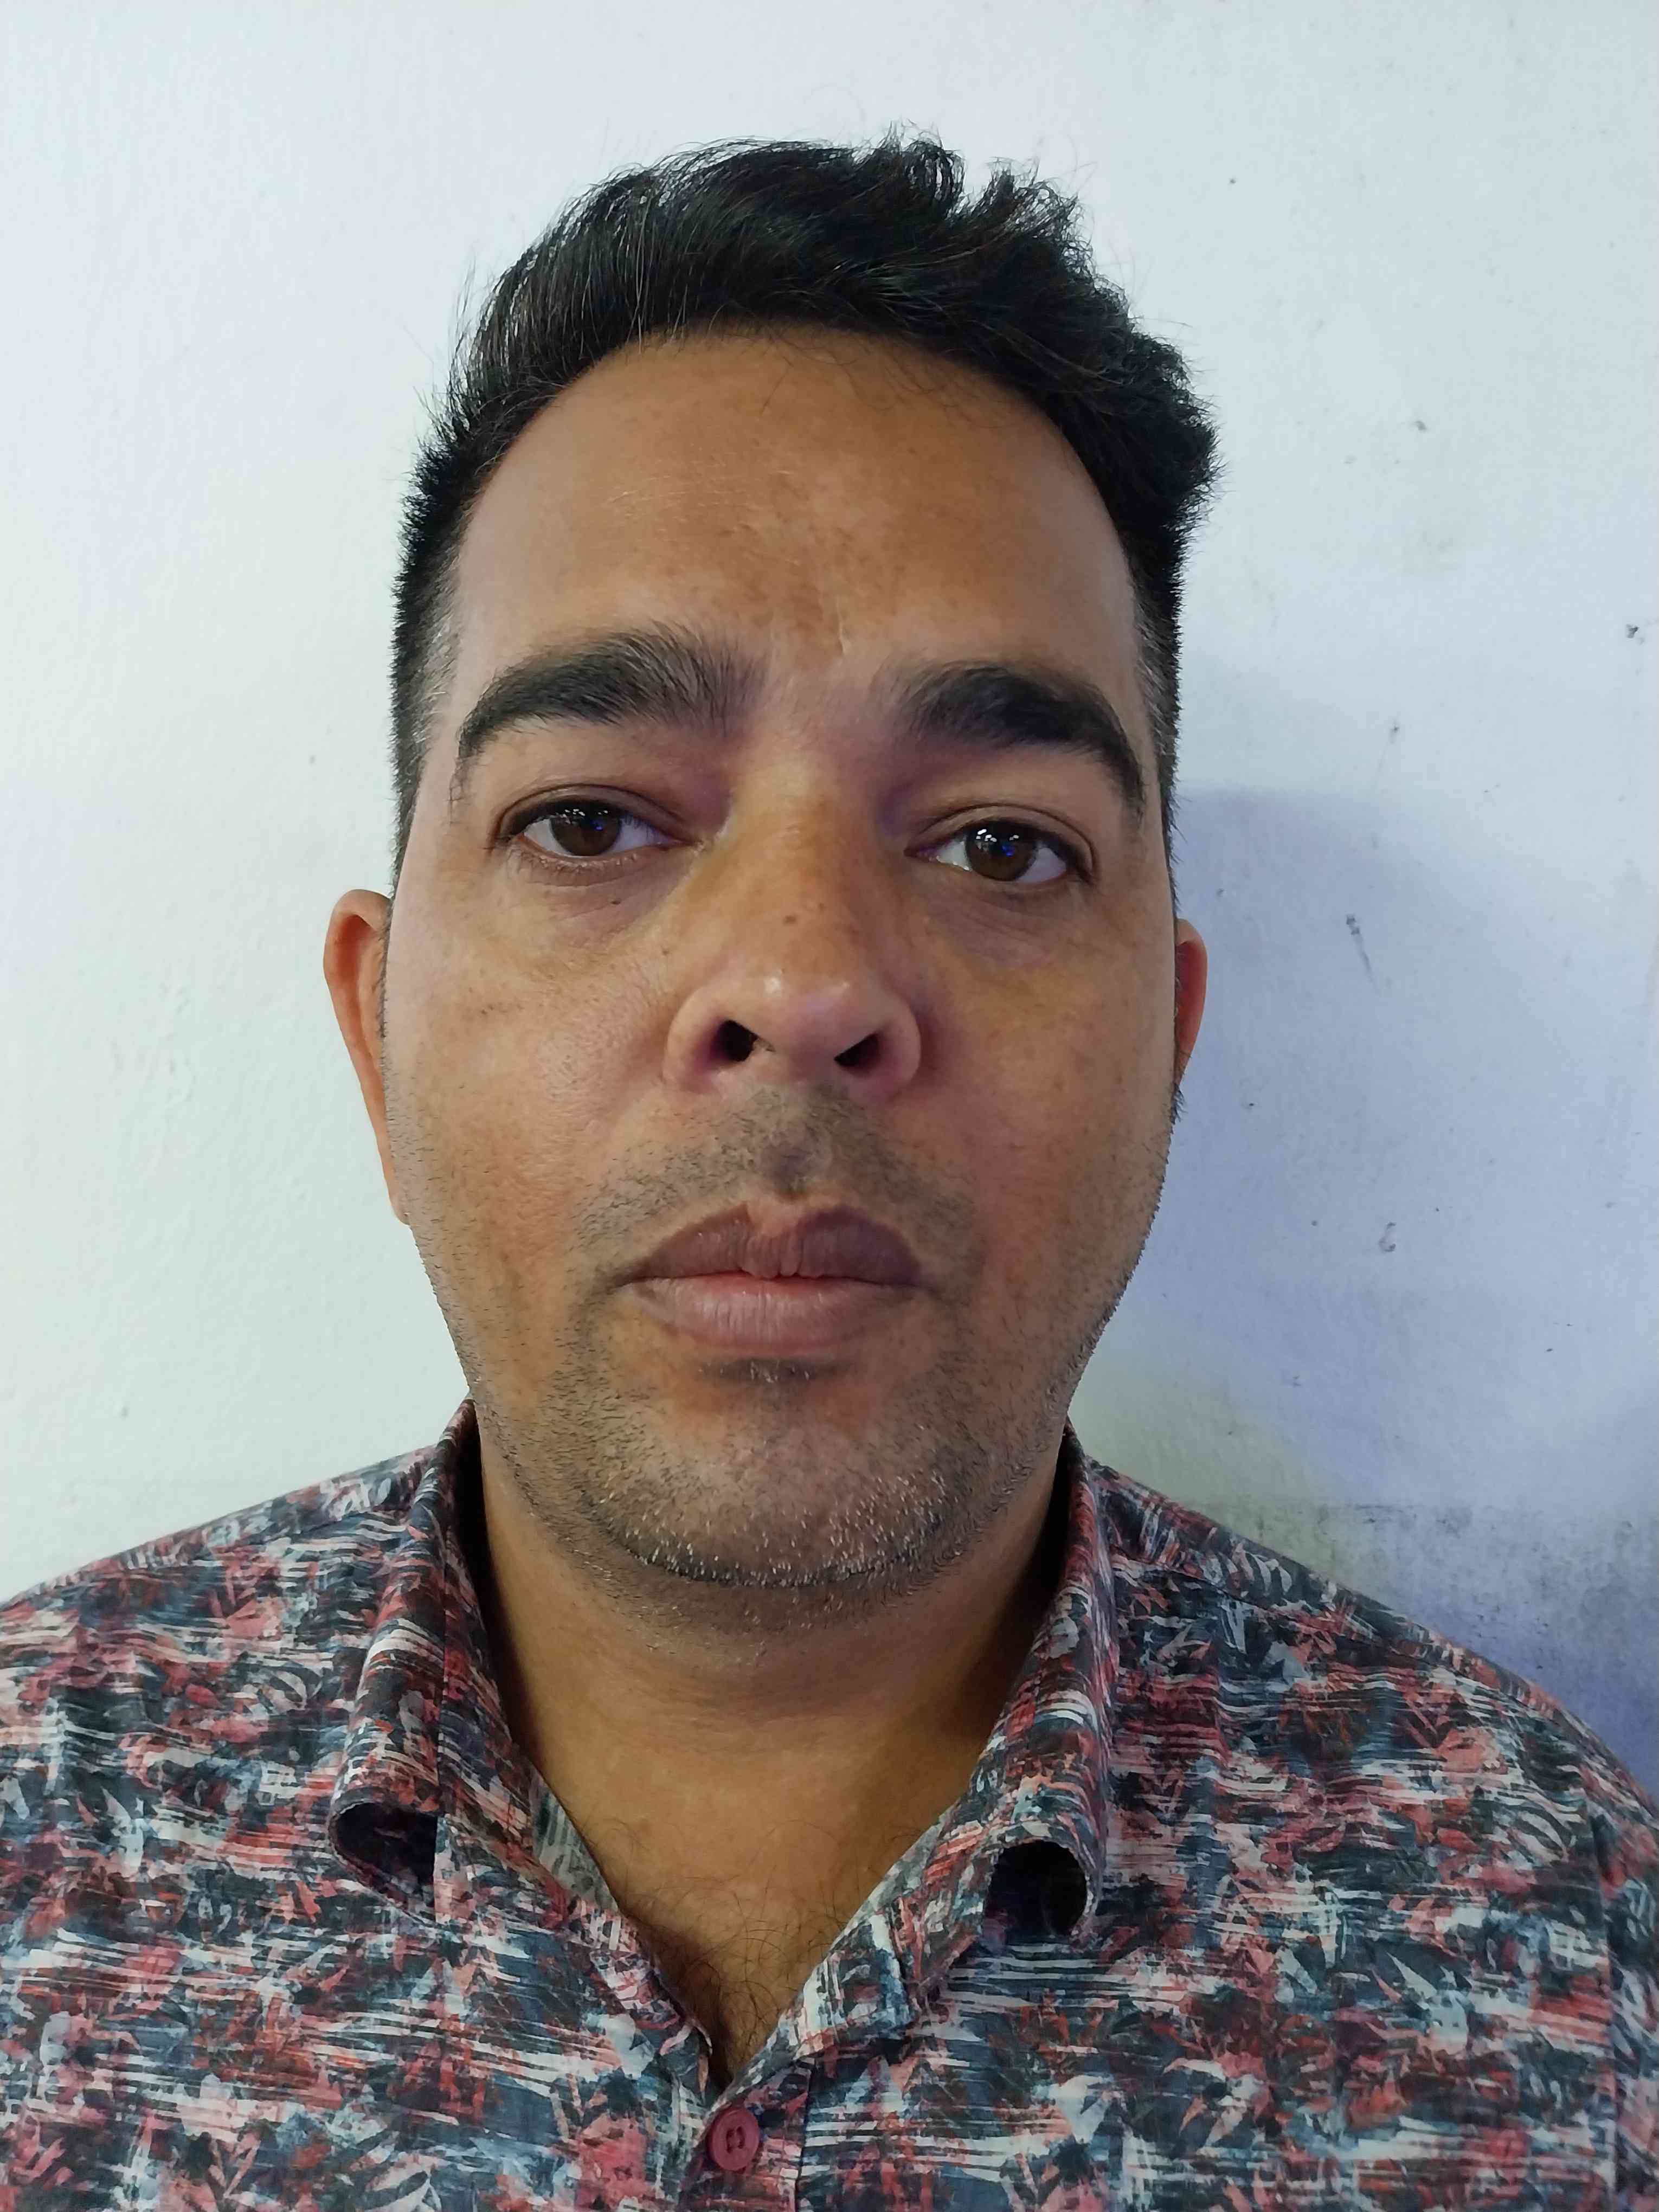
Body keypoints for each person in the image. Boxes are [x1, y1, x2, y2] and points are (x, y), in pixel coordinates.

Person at [2, 131, 1652, 2209]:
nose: (799, 987)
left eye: (999, 844)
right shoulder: (33, 1838)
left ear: (1167, 1042)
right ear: (373, 1027)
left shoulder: (1563, 1956)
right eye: (591, 822)